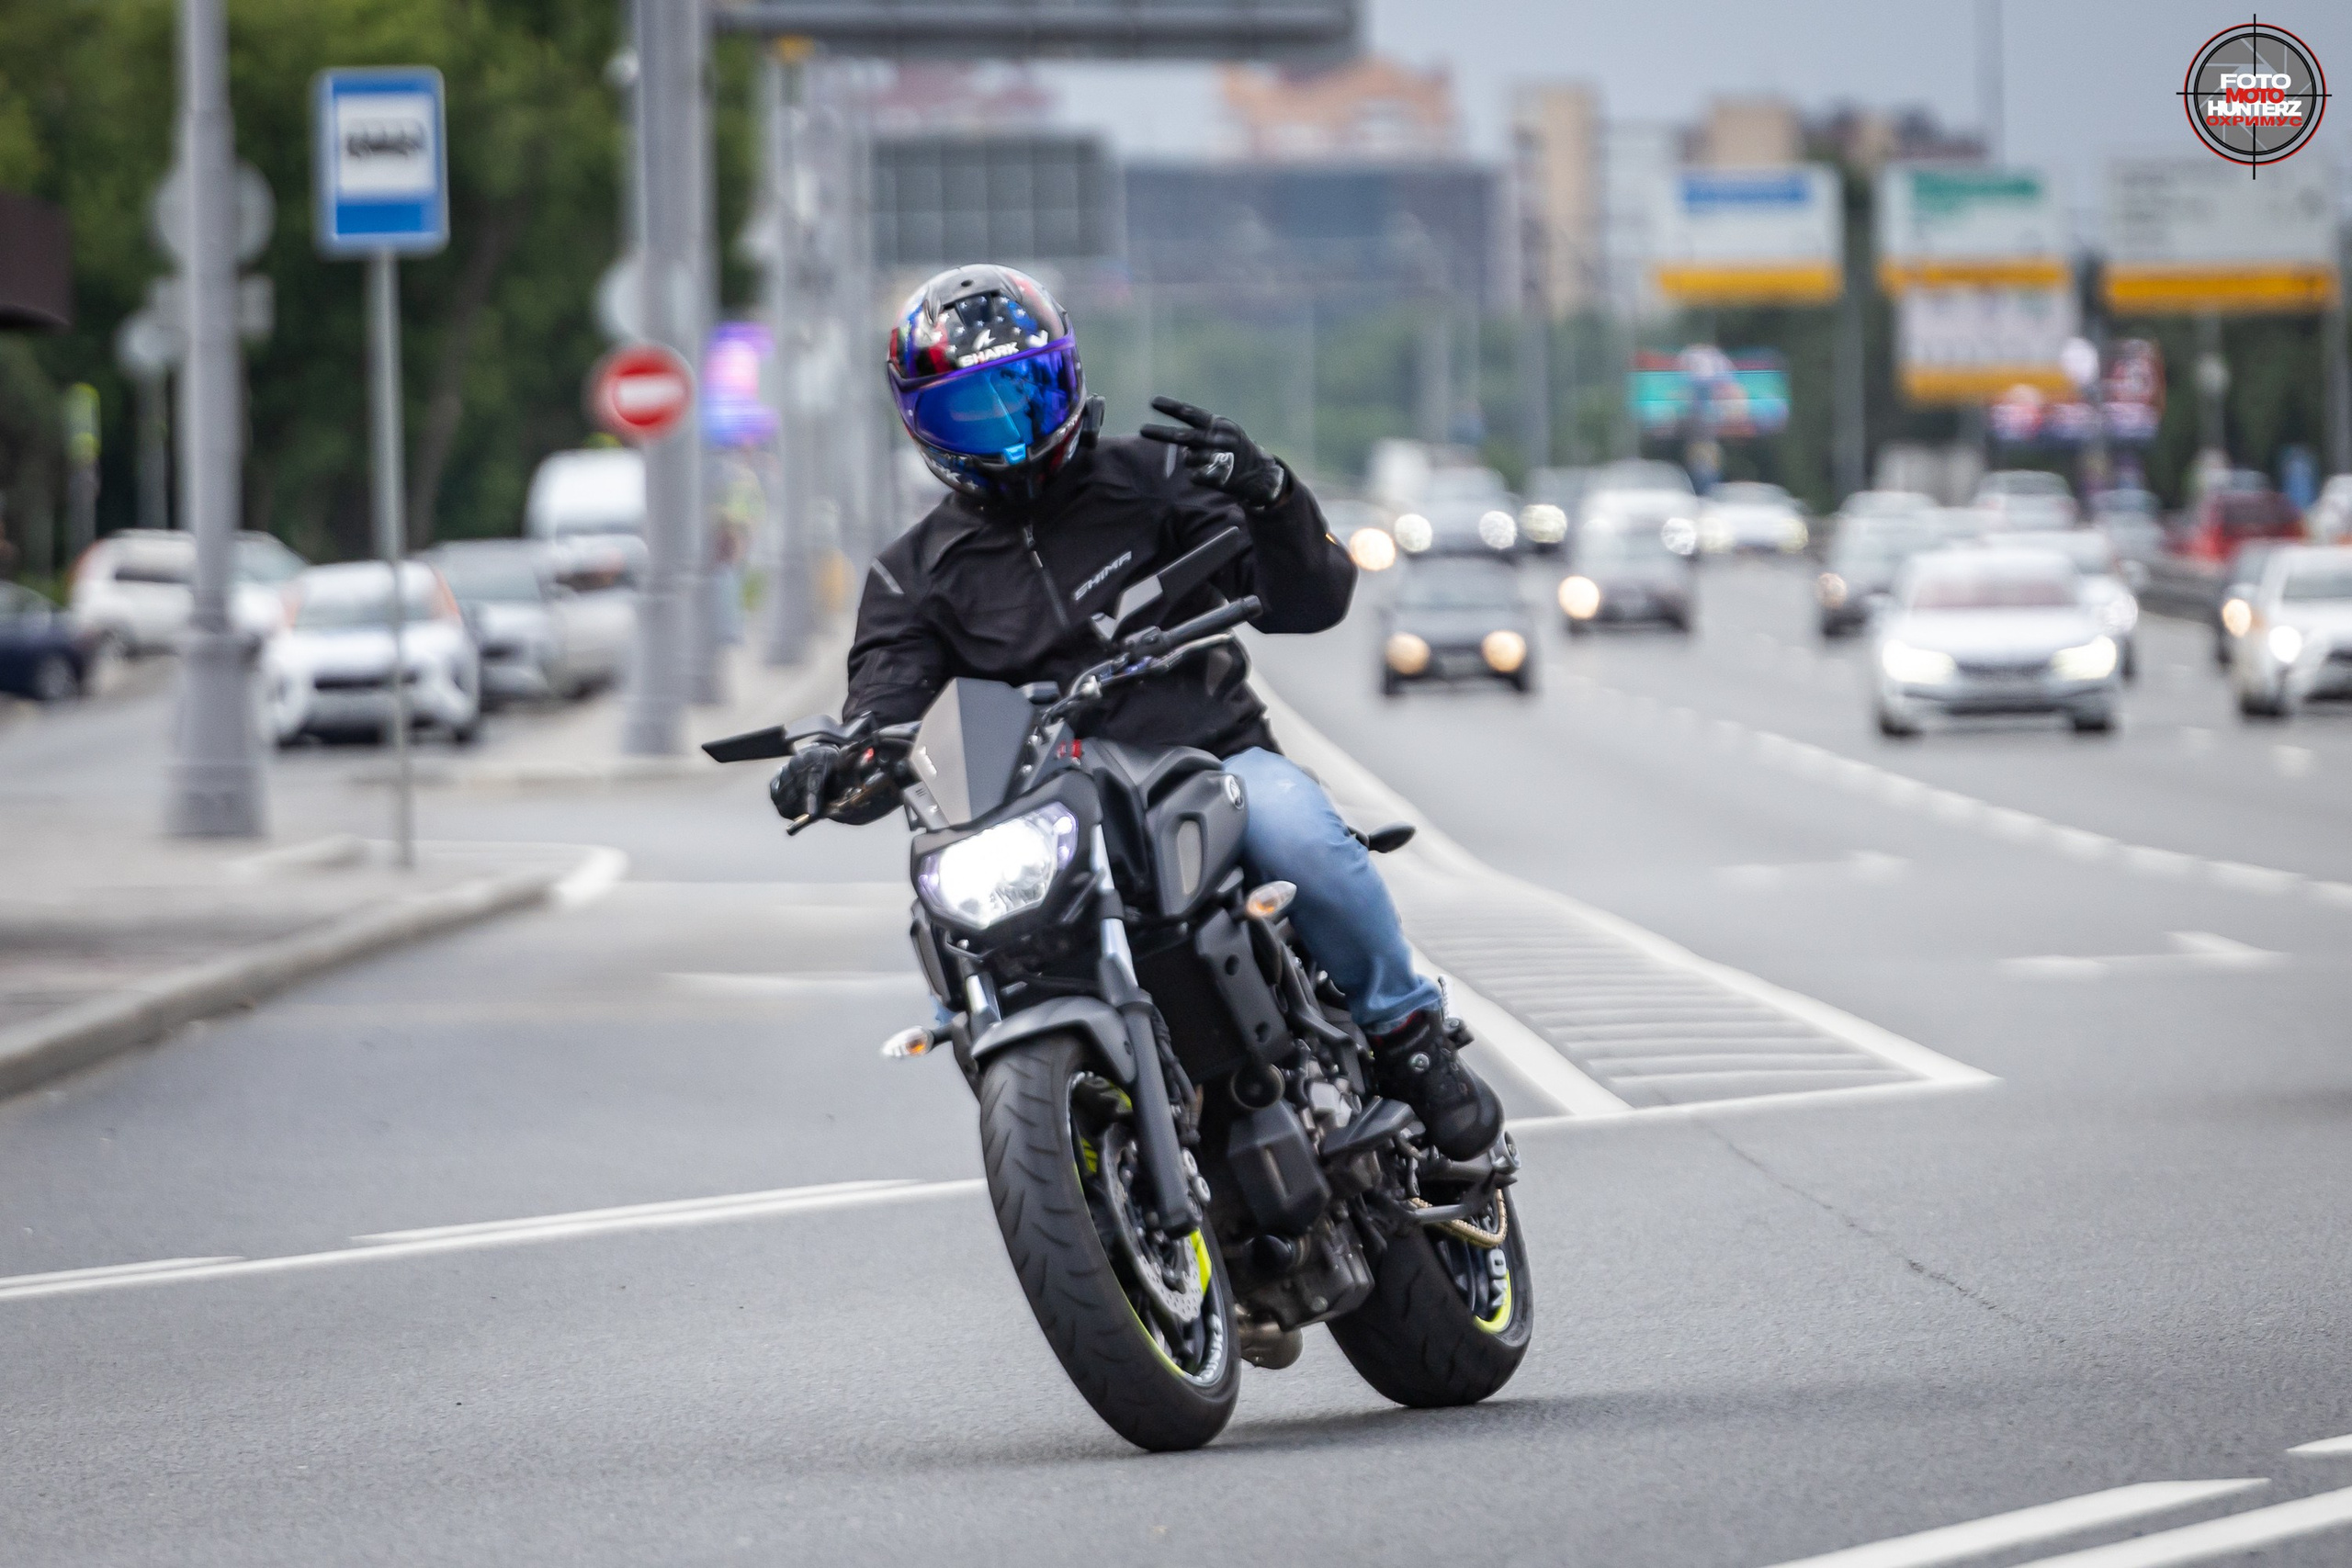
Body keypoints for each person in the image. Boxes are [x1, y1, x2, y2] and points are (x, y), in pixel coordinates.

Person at [775, 264, 1500, 1159]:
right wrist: (844, 757)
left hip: (1210, 763)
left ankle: (1408, 1037)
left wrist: (1271, 497)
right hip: (1039, 813)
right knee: (958, 935)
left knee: (1300, 832)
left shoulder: (1160, 478)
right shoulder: (912, 571)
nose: (1007, 429)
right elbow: (885, 693)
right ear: (924, 425)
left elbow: (1310, 600)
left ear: (1067, 375)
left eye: (1024, 393)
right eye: (972, 410)